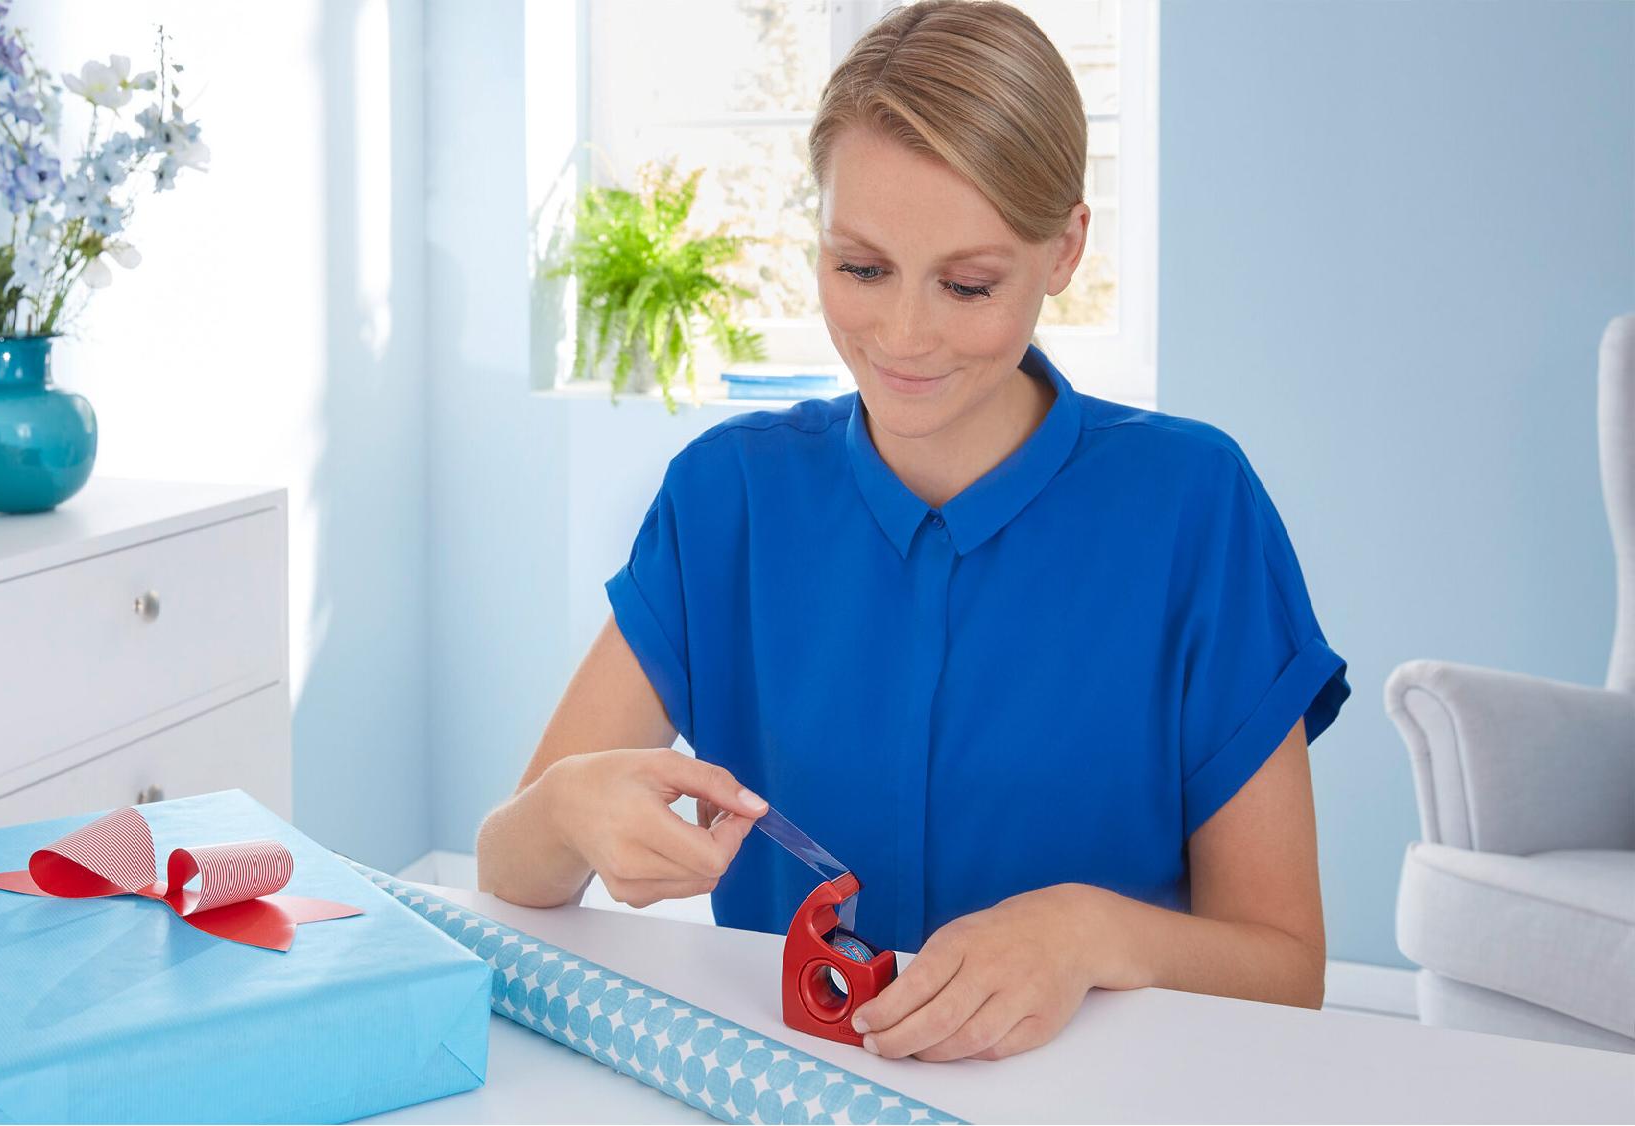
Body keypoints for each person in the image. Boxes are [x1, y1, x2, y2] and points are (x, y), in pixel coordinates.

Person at [477, 0, 1351, 1063]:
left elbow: (1285, 971)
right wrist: (566, 811)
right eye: (862, 268)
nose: (903, 335)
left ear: (1066, 247)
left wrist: (1088, 932)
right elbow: (507, 866)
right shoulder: (728, 496)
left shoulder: (1195, 506)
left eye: (968, 285)